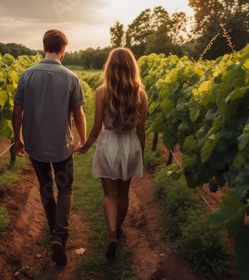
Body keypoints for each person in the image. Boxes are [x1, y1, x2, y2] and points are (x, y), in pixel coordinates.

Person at [12, 29, 86, 265]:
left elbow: (17, 110)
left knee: (45, 185)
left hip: (35, 144)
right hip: (61, 145)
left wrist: (17, 138)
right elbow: (79, 113)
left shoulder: (26, 75)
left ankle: (54, 229)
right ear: (63, 48)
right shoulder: (71, 78)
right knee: (65, 188)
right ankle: (60, 235)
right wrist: (82, 139)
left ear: (44, 46)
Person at [75, 47, 148, 258]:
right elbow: (141, 131)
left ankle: (112, 234)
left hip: (108, 143)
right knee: (124, 193)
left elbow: (97, 127)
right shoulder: (140, 94)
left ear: (110, 67)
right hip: (130, 143)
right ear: (131, 67)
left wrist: (86, 146)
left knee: (110, 194)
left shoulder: (101, 92)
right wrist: (139, 155)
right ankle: (119, 228)